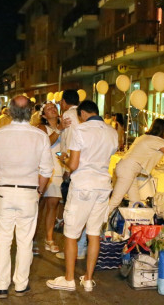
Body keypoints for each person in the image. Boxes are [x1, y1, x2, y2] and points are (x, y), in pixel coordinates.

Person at [0, 95, 53, 299]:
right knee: (25, 241)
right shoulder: (40, 136)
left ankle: (2, 285)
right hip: (29, 192)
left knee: (3, 241)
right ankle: (21, 284)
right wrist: (39, 191)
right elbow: (46, 170)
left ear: (10, 111)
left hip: (4, 191)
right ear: (31, 111)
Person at [47, 100, 118, 292]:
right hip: (103, 186)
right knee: (94, 233)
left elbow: (74, 165)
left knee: (71, 233)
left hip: (83, 187)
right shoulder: (113, 132)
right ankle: (87, 279)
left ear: (83, 114)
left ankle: (69, 279)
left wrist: (63, 158)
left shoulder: (81, 130)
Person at [55, 89, 86, 260]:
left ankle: (72, 251)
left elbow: (66, 146)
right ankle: (81, 248)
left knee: (71, 212)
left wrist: (63, 164)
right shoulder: (82, 115)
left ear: (64, 102)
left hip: (72, 167)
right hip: (86, 168)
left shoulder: (67, 115)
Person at [36, 102, 64, 254]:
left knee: (53, 204)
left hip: (57, 170)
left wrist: (63, 158)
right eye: (49, 108)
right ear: (44, 115)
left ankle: (49, 238)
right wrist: (59, 130)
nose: (53, 109)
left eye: (54, 107)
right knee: (38, 206)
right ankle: (32, 239)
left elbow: (59, 150)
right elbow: (45, 144)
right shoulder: (41, 128)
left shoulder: (62, 127)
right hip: (42, 170)